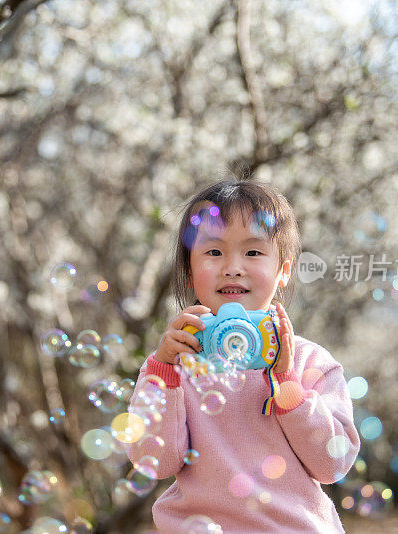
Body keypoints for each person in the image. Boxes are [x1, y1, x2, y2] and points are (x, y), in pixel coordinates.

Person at [125, 176, 360, 533]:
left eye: (252, 251)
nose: (232, 266)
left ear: (284, 269)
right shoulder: (171, 363)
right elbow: (153, 462)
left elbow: (333, 463)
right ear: (189, 271)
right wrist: (163, 371)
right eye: (214, 252)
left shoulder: (308, 362)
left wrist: (286, 383)